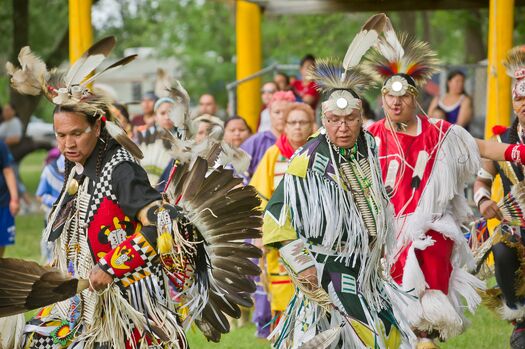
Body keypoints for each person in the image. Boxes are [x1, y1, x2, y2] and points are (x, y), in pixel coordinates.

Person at [5, 37, 262, 348]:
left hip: (130, 305)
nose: (68, 143)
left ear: (97, 128)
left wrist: (113, 265)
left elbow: (162, 225)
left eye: (76, 133)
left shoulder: (121, 169)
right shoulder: (75, 166)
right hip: (85, 301)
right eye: (61, 135)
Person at [365, 25, 525, 348]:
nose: (395, 104)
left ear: (415, 98)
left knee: (425, 304)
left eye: (403, 97)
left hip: (428, 232)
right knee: (389, 313)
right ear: (382, 98)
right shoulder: (370, 136)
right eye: (389, 97)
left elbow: (481, 147)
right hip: (383, 230)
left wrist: (517, 151)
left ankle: (427, 338)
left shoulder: (438, 132)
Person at [263, 15, 414, 348]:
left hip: (367, 267)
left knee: (384, 337)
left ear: (361, 118)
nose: (343, 127)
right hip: (330, 265)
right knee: (369, 339)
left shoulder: (368, 146)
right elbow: (275, 216)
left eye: (350, 119)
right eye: (334, 120)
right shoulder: (308, 158)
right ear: (324, 120)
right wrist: (302, 265)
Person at [473, 45, 525, 349]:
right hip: (513, 227)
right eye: (519, 98)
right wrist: (483, 201)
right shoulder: (500, 141)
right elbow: (482, 179)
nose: (524, 104)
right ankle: (519, 319)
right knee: (503, 251)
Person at [251, 102, 315, 330]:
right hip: (281, 243)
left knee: (316, 295)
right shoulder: (273, 155)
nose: (297, 127)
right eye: (292, 123)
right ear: (284, 126)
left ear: (312, 126)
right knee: (284, 300)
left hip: (316, 237)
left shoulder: (319, 153)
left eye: (302, 122)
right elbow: (258, 198)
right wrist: (261, 235)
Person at [241, 91, 295, 182]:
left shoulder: (301, 142)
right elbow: (235, 171)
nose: (282, 116)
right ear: (269, 113)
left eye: (286, 112)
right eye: (277, 112)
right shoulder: (256, 141)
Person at [0, 140, 19, 258]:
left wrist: (14, 199)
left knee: (2, 240)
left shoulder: (1, 144)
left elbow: (8, 171)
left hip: (2, 201)